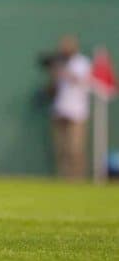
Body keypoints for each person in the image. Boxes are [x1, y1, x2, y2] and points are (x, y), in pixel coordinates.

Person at [50, 34, 92, 180]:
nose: (64, 49)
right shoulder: (59, 64)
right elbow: (54, 89)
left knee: (75, 149)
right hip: (60, 110)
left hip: (77, 112)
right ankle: (63, 178)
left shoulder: (82, 63)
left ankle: (77, 178)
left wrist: (65, 72)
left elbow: (84, 82)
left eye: (67, 46)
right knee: (61, 149)